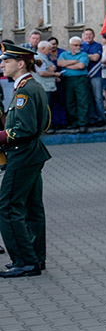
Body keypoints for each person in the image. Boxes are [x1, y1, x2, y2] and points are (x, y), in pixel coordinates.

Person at [0, 43, 51, 278]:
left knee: (8, 207)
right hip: (31, 153)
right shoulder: (31, 86)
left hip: (22, 153)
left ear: (20, 63)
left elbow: (23, 128)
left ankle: (24, 260)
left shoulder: (23, 91)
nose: (2, 65)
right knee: (32, 208)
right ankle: (35, 258)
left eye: (6, 61)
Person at [57, 37, 93, 132]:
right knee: (70, 102)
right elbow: (60, 63)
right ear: (70, 45)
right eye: (76, 45)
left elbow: (81, 66)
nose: (78, 47)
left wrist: (66, 65)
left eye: (80, 45)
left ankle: (82, 123)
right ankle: (73, 122)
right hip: (67, 80)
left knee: (82, 101)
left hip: (80, 80)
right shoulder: (64, 54)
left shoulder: (83, 54)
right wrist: (75, 62)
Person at [81, 28, 106, 124]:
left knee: (98, 98)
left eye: (90, 34)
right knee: (88, 98)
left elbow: (96, 58)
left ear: (94, 35)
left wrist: (81, 55)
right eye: (86, 34)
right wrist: (88, 56)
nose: (88, 36)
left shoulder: (97, 45)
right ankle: (92, 118)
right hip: (83, 75)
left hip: (95, 75)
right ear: (83, 36)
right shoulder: (81, 45)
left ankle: (101, 118)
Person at [40, 41, 67, 130]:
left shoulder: (45, 57)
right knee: (46, 107)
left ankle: (53, 124)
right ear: (43, 49)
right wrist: (54, 74)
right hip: (44, 86)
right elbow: (42, 72)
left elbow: (51, 68)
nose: (50, 51)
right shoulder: (39, 58)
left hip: (49, 86)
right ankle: (47, 126)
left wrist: (52, 72)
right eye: (48, 49)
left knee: (51, 106)